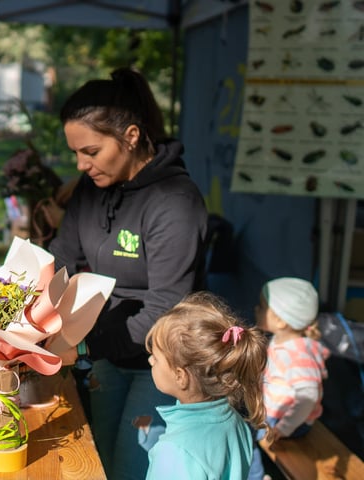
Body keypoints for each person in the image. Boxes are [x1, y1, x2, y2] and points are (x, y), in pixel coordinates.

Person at [48, 67, 208, 479]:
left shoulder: (175, 202)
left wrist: (83, 349)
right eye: (76, 153)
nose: (81, 165)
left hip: (163, 366)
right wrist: (20, 309)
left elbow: (165, 305)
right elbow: (61, 257)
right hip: (106, 350)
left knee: (131, 468)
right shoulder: (93, 189)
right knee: (96, 454)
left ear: (131, 136)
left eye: (91, 151)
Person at [145, 292, 268, 480]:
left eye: (156, 358)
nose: (150, 360)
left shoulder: (175, 451)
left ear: (180, 376)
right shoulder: (235, 420)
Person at [248, 277, 330, 480]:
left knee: (244, 436)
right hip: (278, 413)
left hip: (287, 421)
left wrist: (283, 429)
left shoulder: (297, 355)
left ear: (281, 320)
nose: (256, 309)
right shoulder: (283, 340)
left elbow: (308, 397)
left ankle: (255, 476)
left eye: (262, 306)